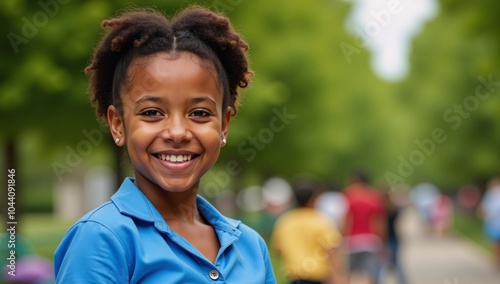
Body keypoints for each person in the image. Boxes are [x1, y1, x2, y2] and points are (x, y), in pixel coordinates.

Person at [54, 6, 275, 283]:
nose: (177, 132)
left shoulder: (250, 246)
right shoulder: (102, 238)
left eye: (199, 113)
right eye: (151, 113)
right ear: (118, 124)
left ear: (224, 124)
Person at [271, 178, 347, 284]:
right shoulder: (321, 220)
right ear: (313, 199)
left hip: (294, 276)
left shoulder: (285, 221)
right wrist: (339, 276)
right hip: (317, 277)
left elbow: (278, 250)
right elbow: (331, 250)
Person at [342, 171, 386, 284]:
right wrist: (382, 241)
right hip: (370, 240)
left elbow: (347, 219)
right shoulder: (375, 195)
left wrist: (342, 237)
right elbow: (379, 222)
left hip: (352, 240)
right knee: (370, 273)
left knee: (347, 273)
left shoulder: (348, 194)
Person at [478, 176, 500, 269]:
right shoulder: (491, 194)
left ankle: (496, 260)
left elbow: (484, 209)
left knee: (495, 243)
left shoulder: (490, 194)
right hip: (494, 223)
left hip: (494, 223)